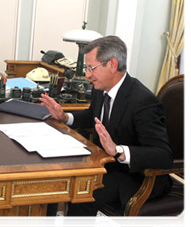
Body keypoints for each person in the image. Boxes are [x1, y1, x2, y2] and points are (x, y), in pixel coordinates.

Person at [40, 36, 173, 227]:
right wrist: (64, 117)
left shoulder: (143, 101)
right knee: (58, 178)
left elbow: (163, 155)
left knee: (84, 192)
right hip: (108, 165)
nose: (87, 75)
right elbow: (92, 116)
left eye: (91, 68)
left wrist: (118, 151)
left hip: (137, 177)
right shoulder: (100, 88)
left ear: (112, 64)